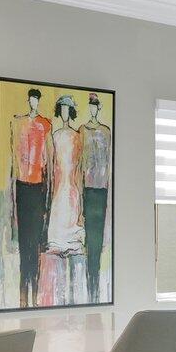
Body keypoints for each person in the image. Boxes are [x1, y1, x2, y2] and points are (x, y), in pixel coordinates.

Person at [6, 88, 52, 307]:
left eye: (36, 100)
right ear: (28, 100)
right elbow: (13, 161)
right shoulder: (18, 123)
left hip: (38, 188)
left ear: (38, 102)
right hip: (23, 186)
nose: (33, 102)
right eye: (31, 99)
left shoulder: (45, 125)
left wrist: (48, 197)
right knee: (25, 241)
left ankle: (34, 295)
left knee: (35, 243)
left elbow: (48, 163)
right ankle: (23, 294)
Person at [42, 94, 87, 303]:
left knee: (70, 206)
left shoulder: (77, 136)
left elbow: (78, 167)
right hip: (59, 182)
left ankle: (72, 241)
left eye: (68, 109)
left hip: (71, 183)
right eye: (62, 109)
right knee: (59, 209)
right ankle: (59, 242)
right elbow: (51, 165)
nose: (65, 113)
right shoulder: (55, 135)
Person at [81, 93, 112, 302]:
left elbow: (108, 164)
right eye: (90, 106)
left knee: (97, 240)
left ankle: (95, 286)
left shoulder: (106, 132)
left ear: (98, 108)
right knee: (88, 240)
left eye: (95, 106)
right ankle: (89, 282)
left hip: (101, 190)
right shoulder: (82, 130)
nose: (92, 109)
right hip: (87, 189)